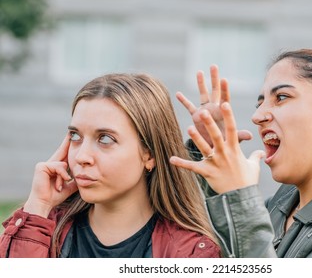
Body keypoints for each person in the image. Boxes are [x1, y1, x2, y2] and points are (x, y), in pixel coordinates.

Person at [170, 49, 312, 257]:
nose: (257, 115)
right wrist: (213, 155)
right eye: (260, 102)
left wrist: (239, 197)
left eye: (281, 97)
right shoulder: (281, 203)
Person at [0, 73, 220, 258]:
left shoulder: (189, 254)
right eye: (76, 136)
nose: (81, 156)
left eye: (105, 139)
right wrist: (37, 208)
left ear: (150, 154)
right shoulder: (42, 230)